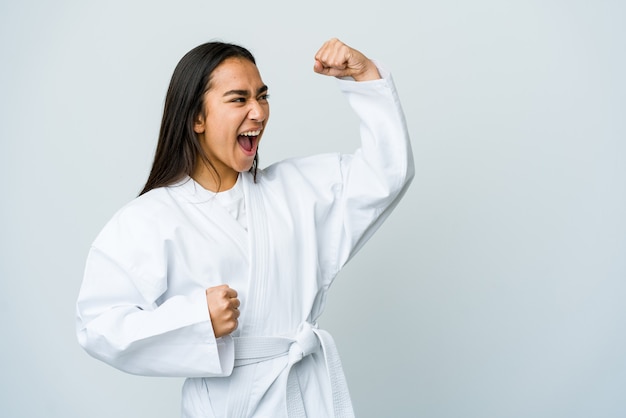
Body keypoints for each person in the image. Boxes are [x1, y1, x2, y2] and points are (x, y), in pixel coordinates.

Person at [76, 37, 414, 418]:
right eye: (239, 99)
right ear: (196, 119)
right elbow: (98, 325)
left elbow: (386, 174)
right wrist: (196, 319)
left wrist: (365, 75)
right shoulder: (151, 219)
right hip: (226, 407)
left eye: (262, 96)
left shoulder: (296, 191)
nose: (258, 112)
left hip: (305, 397)